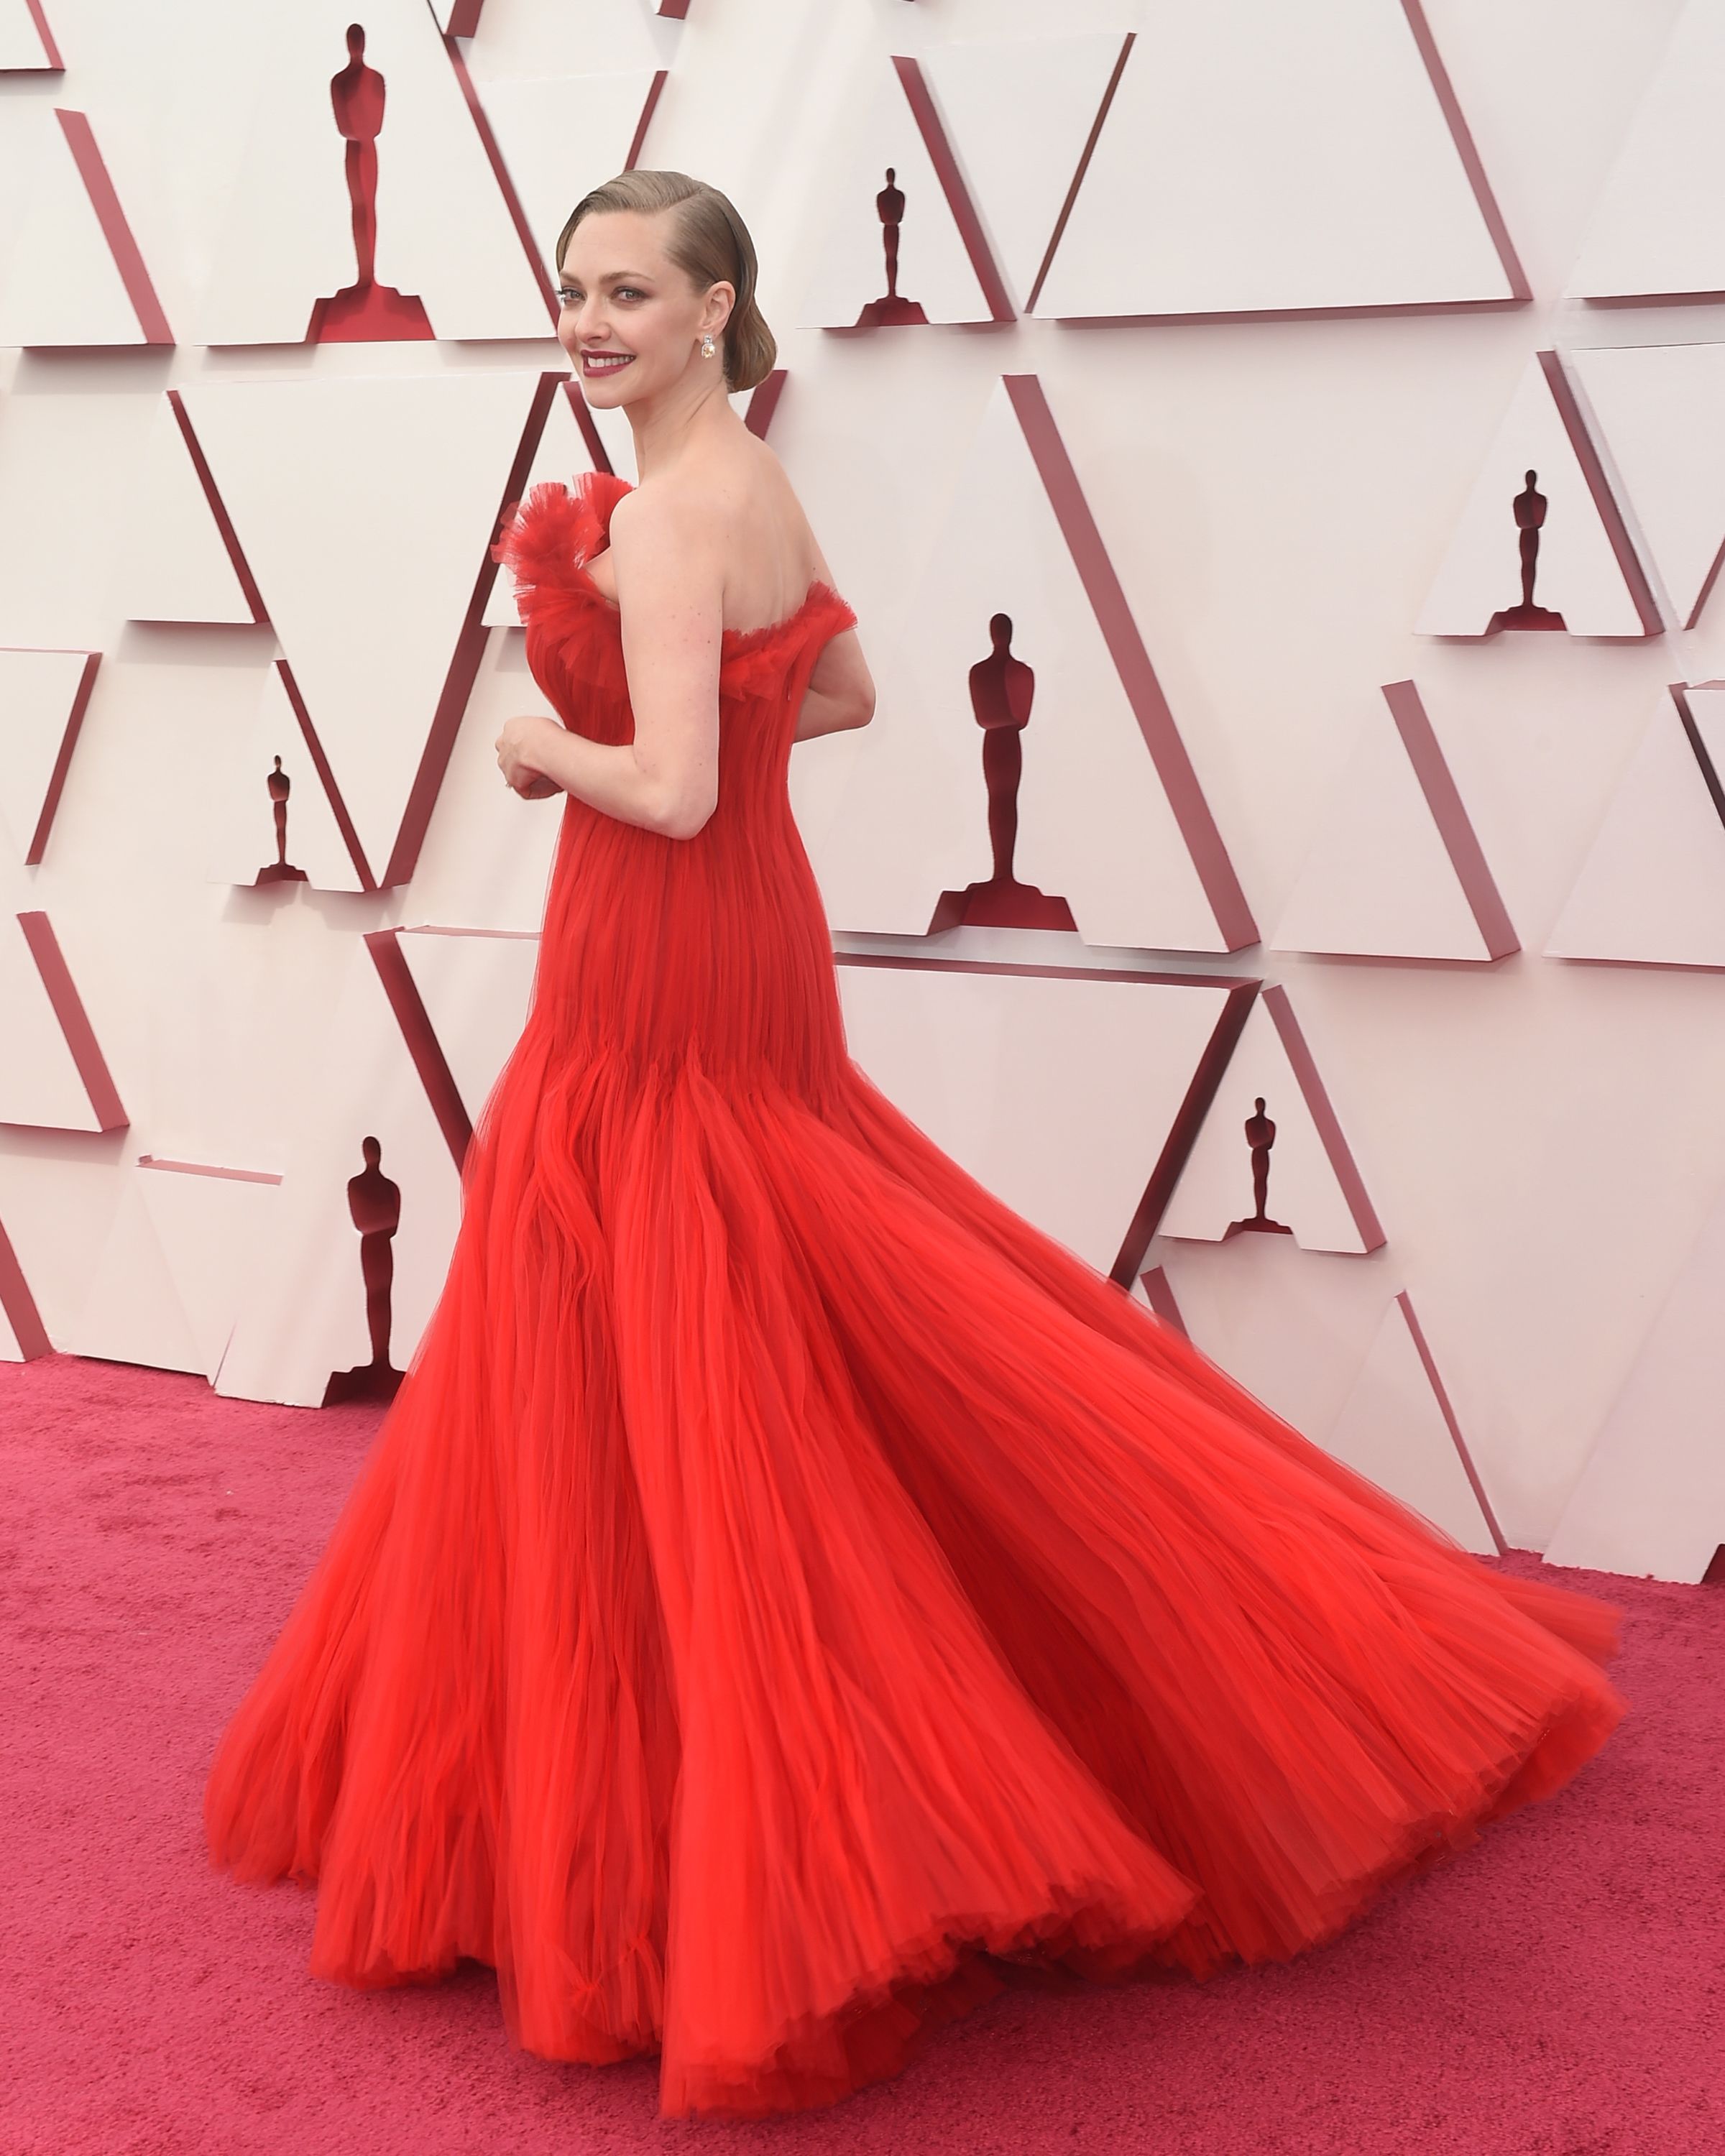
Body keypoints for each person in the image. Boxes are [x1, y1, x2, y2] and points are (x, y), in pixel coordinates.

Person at [203, 168, 1629, 2124]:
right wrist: (679, 680)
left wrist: (549, 754)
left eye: (632, 291)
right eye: (575, 287)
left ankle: (699, 1820)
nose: (591, 319)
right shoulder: (746, 498)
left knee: (672, 1326)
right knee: (747, 1306)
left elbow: (682, 796)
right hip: (739, 953)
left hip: (661, 954)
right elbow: (849, 693)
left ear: (717, 310)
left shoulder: (682, 521)